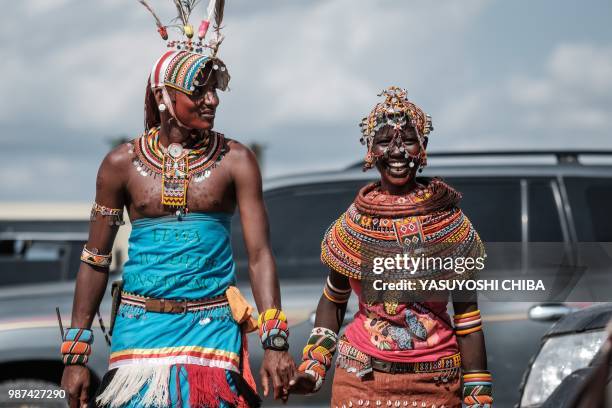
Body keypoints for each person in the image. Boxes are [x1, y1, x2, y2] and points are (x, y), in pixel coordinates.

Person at [60, 2, 294, 407]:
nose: (212, 101)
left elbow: (258, 256)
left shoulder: (236, 160)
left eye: (214, 90)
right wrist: (76, 352)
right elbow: (95, 258)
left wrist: (274, 340)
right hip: (139, 328)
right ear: (164, 96)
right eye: (198, 91)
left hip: (213, 330)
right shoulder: (120, 165)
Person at [289, 87, 493, 407]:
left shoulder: (450, 224)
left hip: (435, 384)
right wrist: (313, 367)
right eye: (385, 141)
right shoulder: (355, 222)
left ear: (422, 147)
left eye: (408, 140)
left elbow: (467, 318)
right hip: (359, 380)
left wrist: (478, 398)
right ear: (371, 149)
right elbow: (333, 299)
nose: (397, 151)